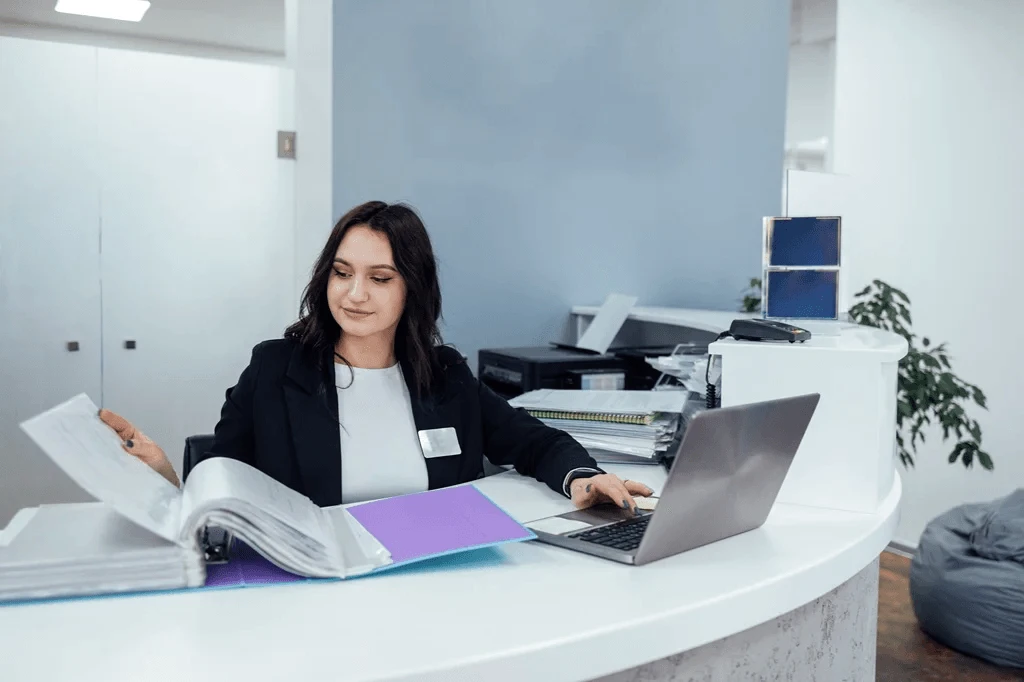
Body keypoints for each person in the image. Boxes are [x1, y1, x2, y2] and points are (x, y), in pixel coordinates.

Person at [99, 201, 652, 513]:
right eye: (342, 273)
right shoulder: (274, 370)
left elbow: (535, 442)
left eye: (379, 278)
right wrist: (168, 479)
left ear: (412, 288)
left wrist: (583, 477)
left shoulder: (445, 376)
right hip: (316, 589)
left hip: (432, 581)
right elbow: (223, 482)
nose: (354, 294)